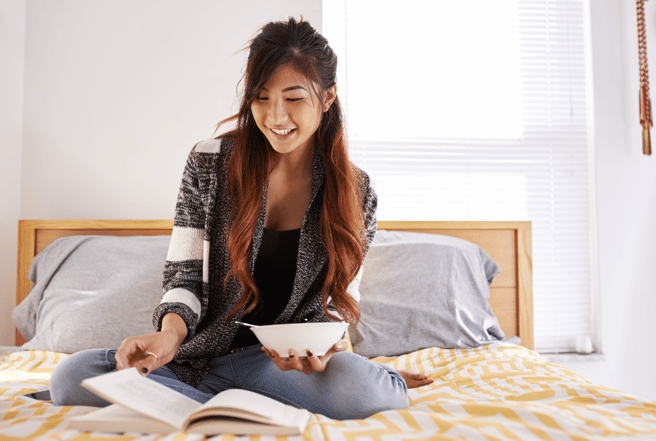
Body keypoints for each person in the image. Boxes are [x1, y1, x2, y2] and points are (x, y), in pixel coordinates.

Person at [49, 17, 431, 420]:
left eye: (294, 98)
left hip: (273, 366)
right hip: (193, 360)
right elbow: (184, 277)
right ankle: (231, 407)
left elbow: (334, 303)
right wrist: (168, 336)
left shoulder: (357, 191)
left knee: (366, 392)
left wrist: (322, 351)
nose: (275, 116)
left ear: (328, 97)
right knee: (72, 375)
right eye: (261, 98)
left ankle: (191, 407)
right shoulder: (208, 162)